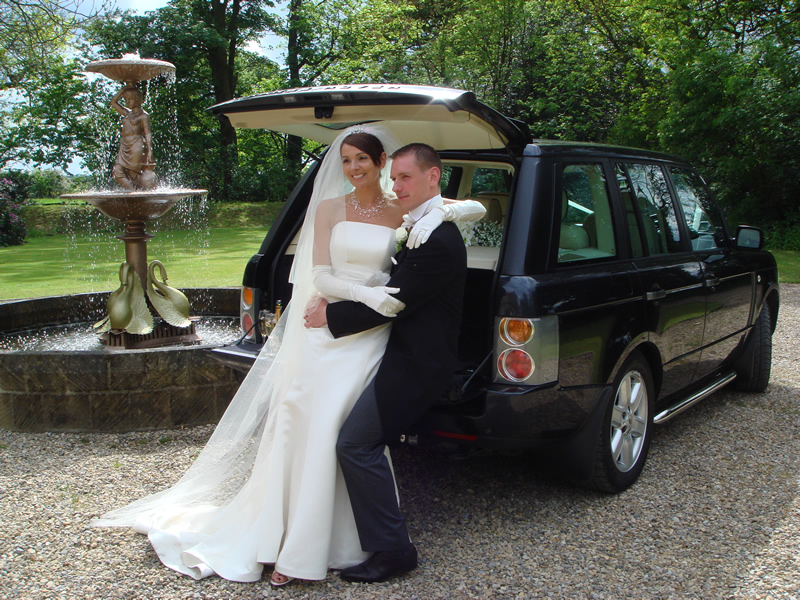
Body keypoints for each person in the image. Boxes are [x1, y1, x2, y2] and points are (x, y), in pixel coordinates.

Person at [91, 125, 484, 586]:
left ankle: (359, 546)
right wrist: (336, 303)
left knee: (349, 440)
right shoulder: (349, 209)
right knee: (306, 428)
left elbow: (461, 220)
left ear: (390, 165)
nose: (371, 174)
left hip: (376, 343)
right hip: (340, 333)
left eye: (384, 168)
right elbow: (324, 274)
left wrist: (436, 218)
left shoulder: (415, 218)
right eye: (348, 161)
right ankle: (287, 538)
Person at [304, 142, 467, 583]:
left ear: (433, 176)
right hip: (391, 351)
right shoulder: (424, 223)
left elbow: (394, 303)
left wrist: (328, 314)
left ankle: (395, 551)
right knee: (347, 438)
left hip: (416, 364)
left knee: (356, 444)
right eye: (394, 178)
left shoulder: (438, 237)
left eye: (406, 177)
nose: (397, 186)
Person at [111, 84, 157, 190]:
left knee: (132, 172)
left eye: (130, 99)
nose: (128, 102)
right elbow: (113, 103)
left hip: (136, 144)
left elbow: (147, 133)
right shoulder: (127, 113)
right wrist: (123, 90)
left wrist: (150, 150)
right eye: (126, 99)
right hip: (124, 145)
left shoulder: (143, 116)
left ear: (137, 99)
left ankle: (137, 194)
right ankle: (132, 193)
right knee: (117, 172)